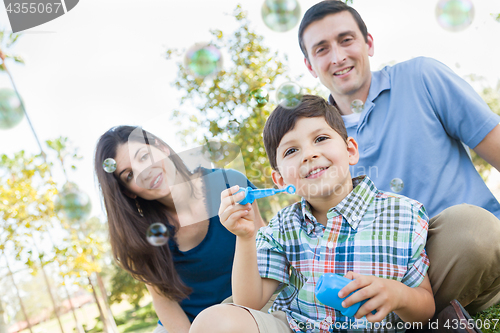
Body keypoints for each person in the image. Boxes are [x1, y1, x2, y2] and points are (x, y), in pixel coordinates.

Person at [297, 0, 500, 314]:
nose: (338, 57)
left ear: (369, 43)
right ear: (310, 65)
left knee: (474, 230)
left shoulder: (421, 77)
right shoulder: (315, 141)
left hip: (468, 254)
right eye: (321, 49)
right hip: (391, 280)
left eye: (346, 40)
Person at [190, 95, 435, 333]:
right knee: (212, 321)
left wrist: (398, 295)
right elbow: (249, 303)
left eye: (321, 138)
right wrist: (244, 238)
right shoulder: (282, 227)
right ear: (279, 179)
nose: (309, 154)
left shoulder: (402, 214)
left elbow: (425, 308)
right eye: (291, 151)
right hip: (296, 327)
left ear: (350, 151)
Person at [94, 126, 265, 333]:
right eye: (129, 175)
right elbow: (164, 302)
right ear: (129, 193)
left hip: (247, 309)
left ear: (162, 147)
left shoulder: (229, 184)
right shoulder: (140, 234)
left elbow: (265, 249)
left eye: (144, 157)